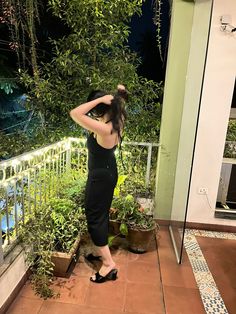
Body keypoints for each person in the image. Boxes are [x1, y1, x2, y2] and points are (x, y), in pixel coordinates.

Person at [70, 84, 127, 283]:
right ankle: (102, 252)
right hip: (108, 172)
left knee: (94, 217)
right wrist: (119, 93)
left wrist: (98, 100)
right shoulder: (117, 119)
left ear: (100, 108)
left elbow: (75, 113)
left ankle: (109, 265)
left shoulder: (104, 128)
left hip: (100, 178)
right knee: (100, 214)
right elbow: (122, 101)